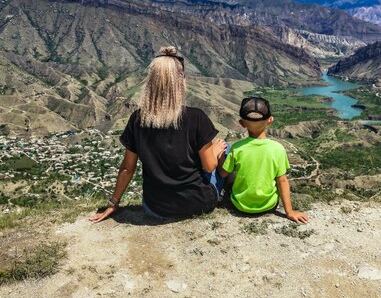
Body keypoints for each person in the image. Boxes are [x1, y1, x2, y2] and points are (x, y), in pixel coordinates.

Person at [90, 46, 227, 223]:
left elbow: (127, 168)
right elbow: (209, 167)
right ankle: (234, 200)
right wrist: (215, 149)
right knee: (226, 147)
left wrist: (113, 203)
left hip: (155, 207)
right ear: (181, 81)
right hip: (197, 204)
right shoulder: (196, 117)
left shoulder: (138, 119)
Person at [218, 96, 308, 224]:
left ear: (242, 123)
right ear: (270, 120)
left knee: (230, 173)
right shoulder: (277, 148)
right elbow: (282, 181)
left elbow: (223, 174)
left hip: (240, 206)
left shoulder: (237, 148)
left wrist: (221, 157)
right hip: (268, 206)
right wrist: (290, 212)